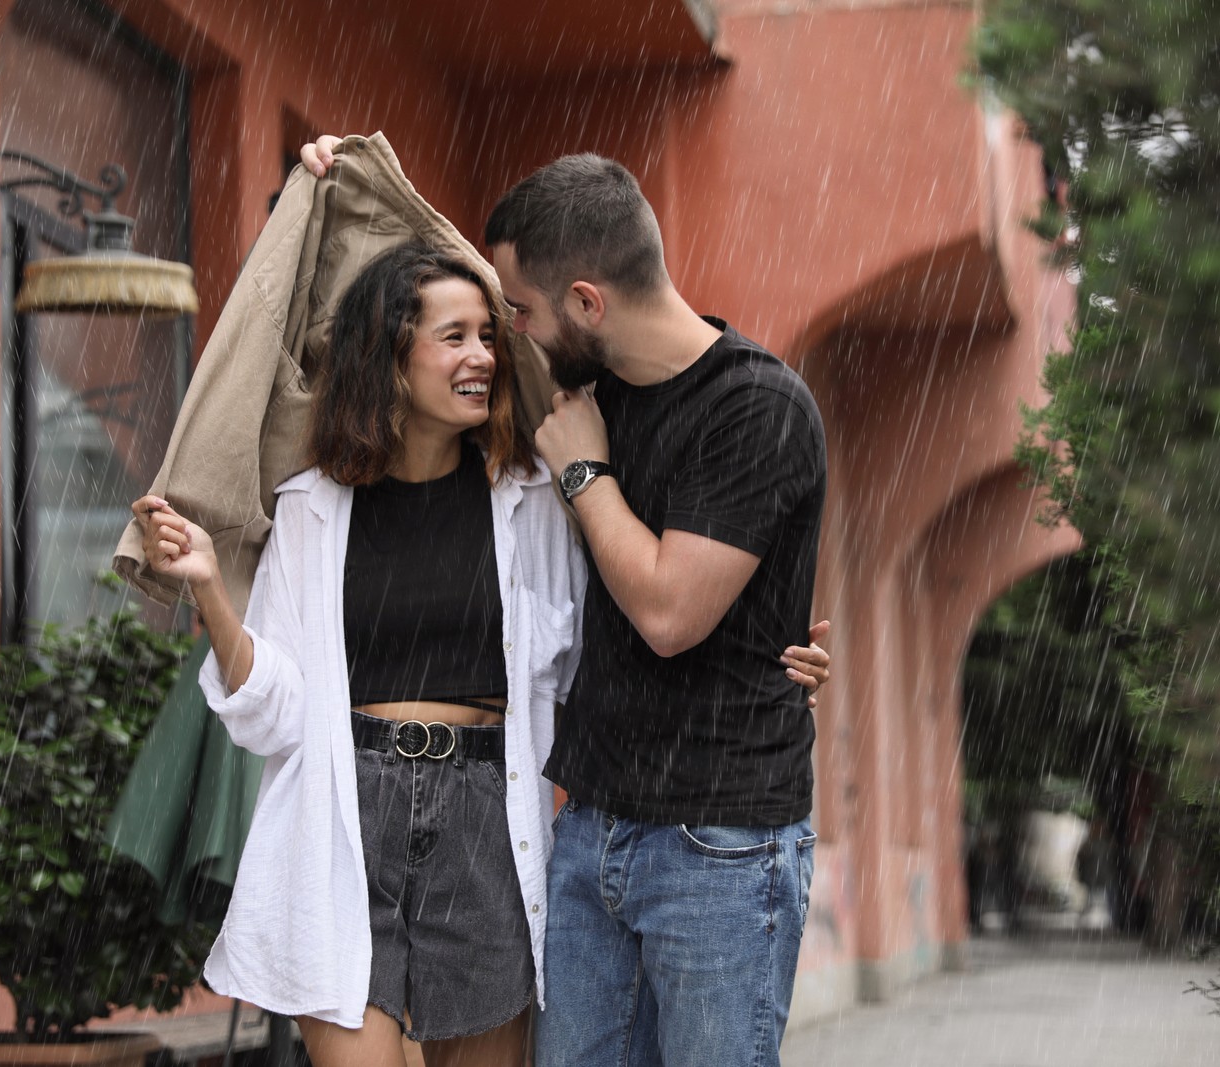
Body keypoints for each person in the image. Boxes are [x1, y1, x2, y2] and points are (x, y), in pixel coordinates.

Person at [133, 240, 828, 1067]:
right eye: (453, 336)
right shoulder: (312, 508)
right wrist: (211, 591)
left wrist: (762, 671)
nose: (483, 356)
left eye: (489, 336)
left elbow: (607, 639)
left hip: (487, 821)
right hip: (348, 818)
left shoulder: (529, 499)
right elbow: (275, 715)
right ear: (391, 355)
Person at [305, 141, 829, 1067]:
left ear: (586, 303)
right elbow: (390, 331)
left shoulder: (756, 406)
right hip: (588, 836)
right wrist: (330, 195)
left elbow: (669, 614)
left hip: (722, 844)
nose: (510, 333)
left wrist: (586, 472)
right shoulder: (582, 396)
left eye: (522, 311)